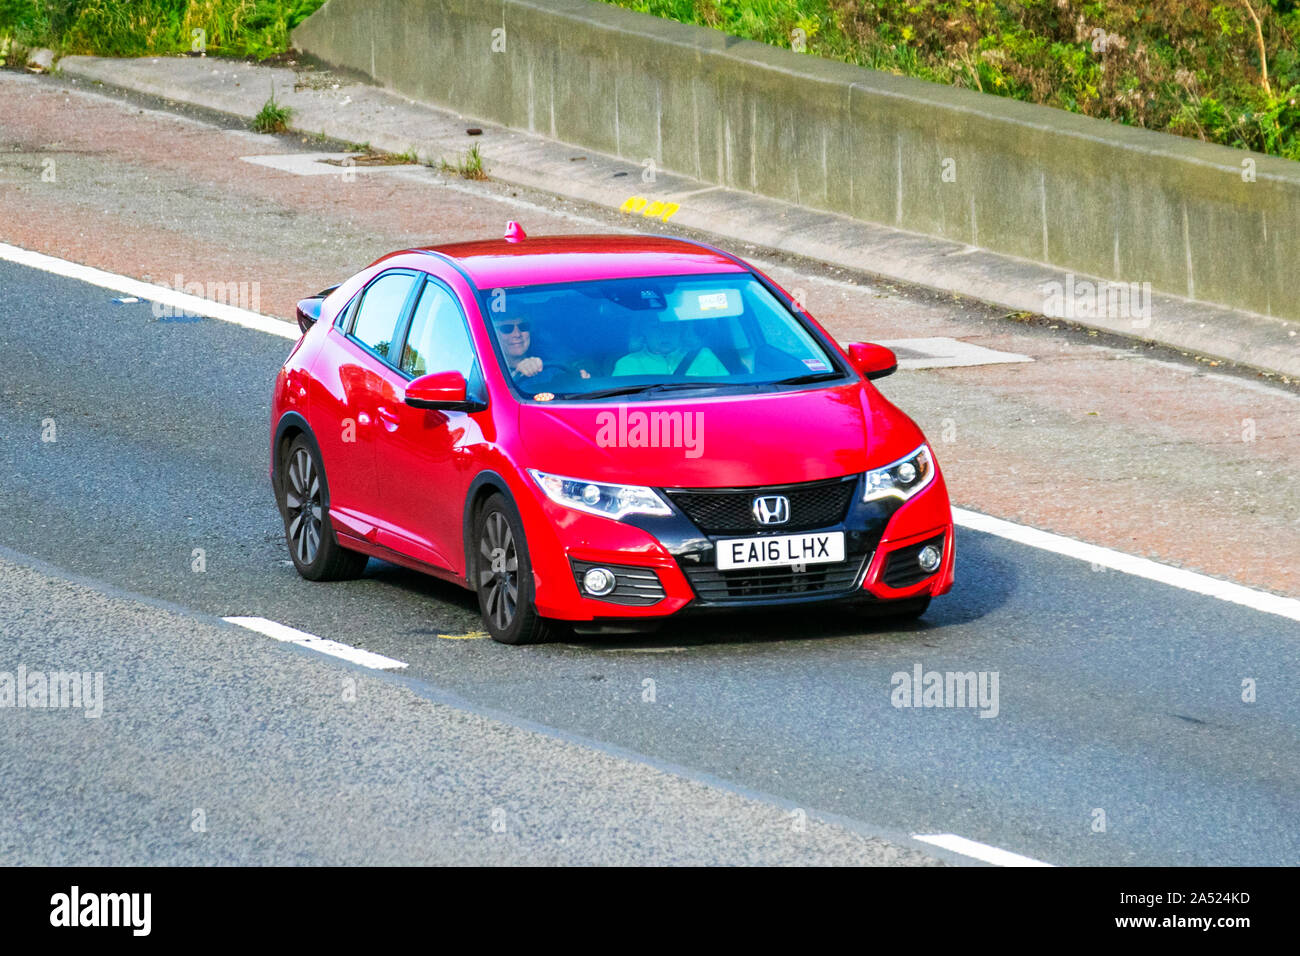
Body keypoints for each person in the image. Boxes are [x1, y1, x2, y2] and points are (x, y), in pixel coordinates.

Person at [612, 316, 728, 377]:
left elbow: (727, 393)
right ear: (643, 331)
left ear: (682, 329)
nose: (664, 332)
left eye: (671, 325)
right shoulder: (627, 364)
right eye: (655, 327)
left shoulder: (704, 356)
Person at [493, 315, 588, 386]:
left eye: (523, 327)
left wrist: (580, 380)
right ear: (493, 334)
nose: (517, 334)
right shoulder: (484, 371)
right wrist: (515, 375)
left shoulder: (550, 367)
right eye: (507, 329)